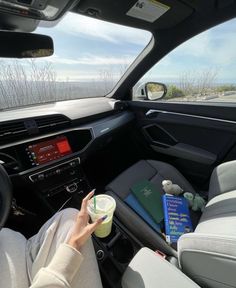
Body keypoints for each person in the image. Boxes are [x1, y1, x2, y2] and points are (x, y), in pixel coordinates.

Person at [0, 190, 105, 288]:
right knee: (77, 235)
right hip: (29, 282)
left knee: (71, 218)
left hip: (26, 253)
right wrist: (74, 244)